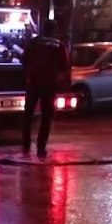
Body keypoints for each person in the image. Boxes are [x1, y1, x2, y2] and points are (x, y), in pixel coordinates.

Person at [21, 19, 70, 157]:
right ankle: (41, 148)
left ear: (43, 28)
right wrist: (56, 79)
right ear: (54, 30)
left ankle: (25, 145)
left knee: (28, 115)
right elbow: (64, 67)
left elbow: (24, 59)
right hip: (49, 85)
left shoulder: (34, 42)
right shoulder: (59, 45)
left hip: (33, 83)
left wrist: (30, 73)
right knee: (46, 117)